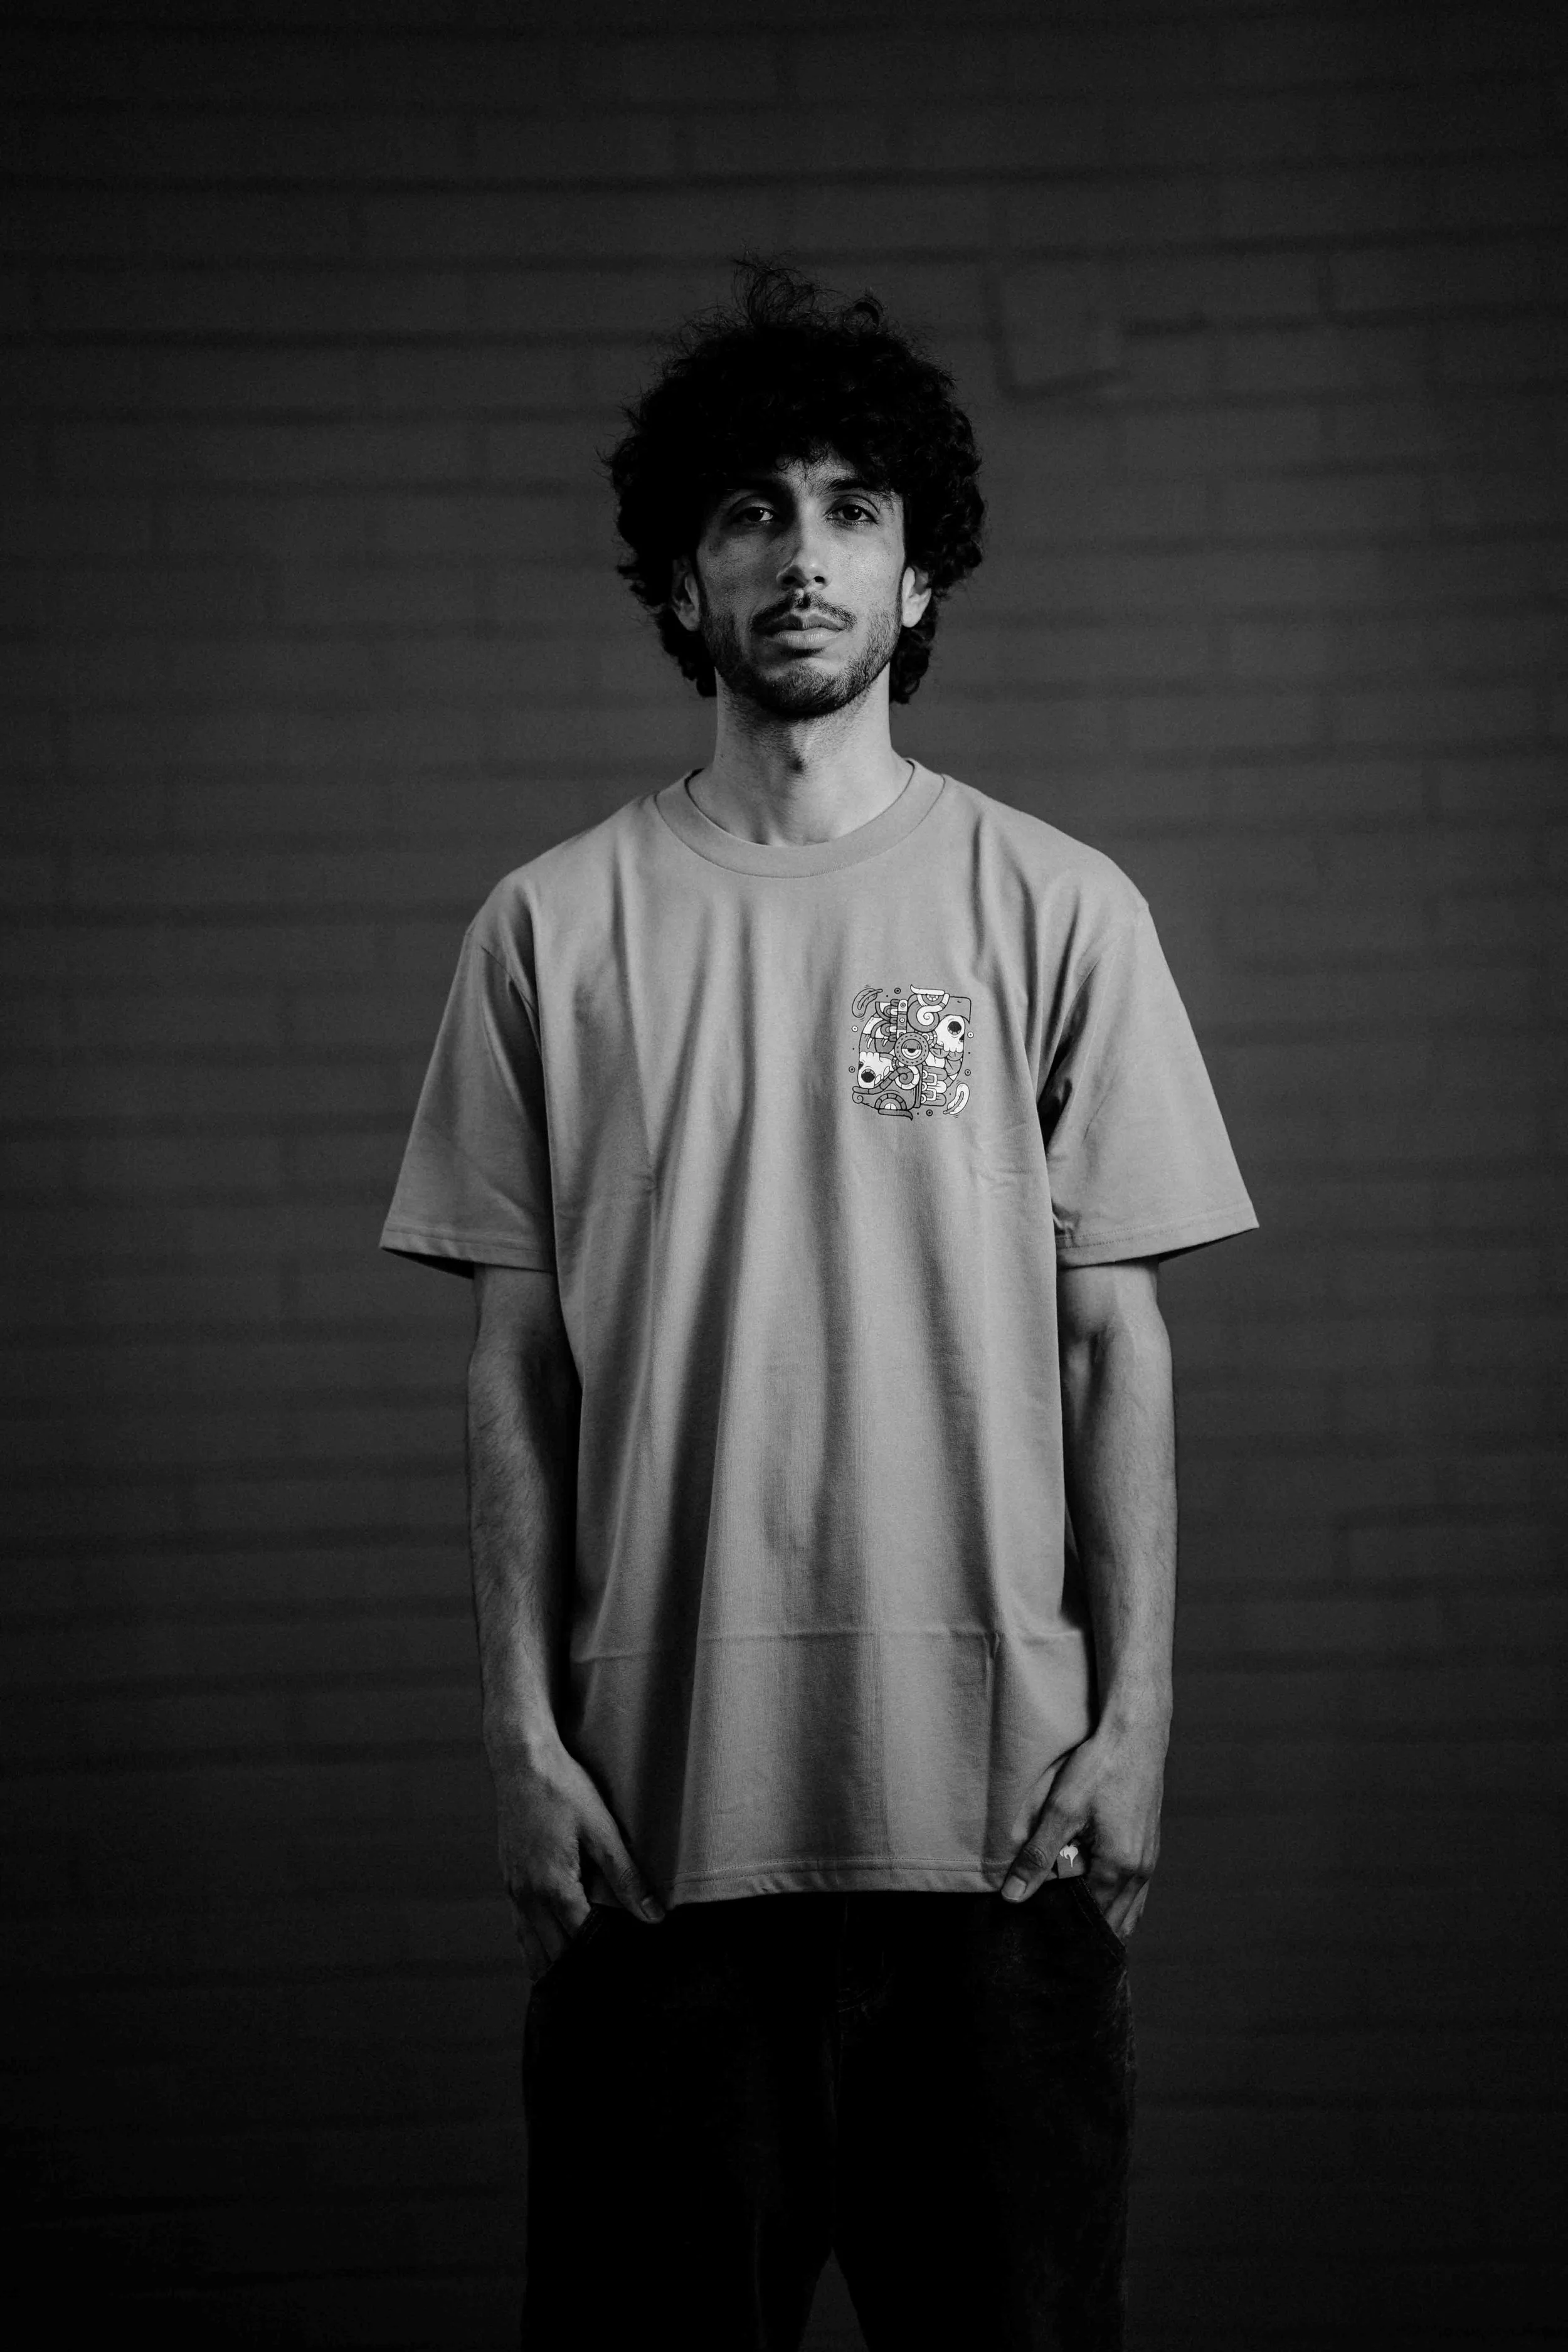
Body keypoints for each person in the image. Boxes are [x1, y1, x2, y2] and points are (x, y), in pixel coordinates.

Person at [381, 263, 1256, 2351]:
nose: (802, 553)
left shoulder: (1057, 907)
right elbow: (513, 1368)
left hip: (1001, 1843)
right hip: (653, 1841)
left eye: (853, 510)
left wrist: (1135, 1724)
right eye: (751, 511)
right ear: (680, 579)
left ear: (916, 575)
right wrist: (517, 1739)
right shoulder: (548, 930)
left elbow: (1112, 1342)